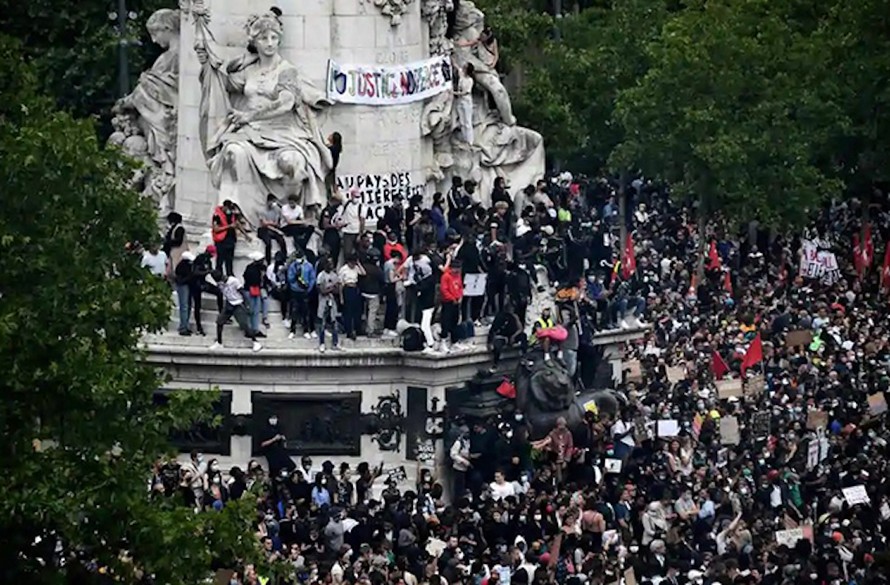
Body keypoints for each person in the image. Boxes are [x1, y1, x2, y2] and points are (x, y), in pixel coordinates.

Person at [209, 270, 263, 352]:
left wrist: (247, 305)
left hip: (238, 303)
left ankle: (256, 342)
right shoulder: (219, 283)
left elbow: (243, 292)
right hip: (229, 303)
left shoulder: (234, 281)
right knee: (219, 322)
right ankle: (219, 342)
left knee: (244, 325)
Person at [286, 248, 316, 339]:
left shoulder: (309, 266)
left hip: (305, 291)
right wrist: (296, 276)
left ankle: (306, 330)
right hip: (295, 291)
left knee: (306, 311)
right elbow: (290, 279)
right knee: (294, 311)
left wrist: (309, 289)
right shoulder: (293, 266)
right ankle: (292, 330)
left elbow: (312, 278)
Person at [439, 254, 464, 353]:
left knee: (455, 321)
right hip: (448, 302)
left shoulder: (458, 276)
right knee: (446, 322)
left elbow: (461, 287)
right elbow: (444, 290)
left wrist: (460, 296)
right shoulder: (446, 276)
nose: (457, 270)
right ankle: (443, 342)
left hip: (457, 302)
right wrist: (452, 298)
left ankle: (455, 342)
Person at [315, 259, 341, 353]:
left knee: (334, 323)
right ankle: (322, 343)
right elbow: (321, 290)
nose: (331, 265)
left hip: (332, 301)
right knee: (322, 323)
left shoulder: (334, 275)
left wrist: (330, 289)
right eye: (329, 264)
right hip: (323, 301)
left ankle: (335, 343)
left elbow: (337, 290)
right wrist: (331, 288)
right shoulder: (321, 276)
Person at [338, 254, 365, 340]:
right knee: (348, 311)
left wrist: (358, 264)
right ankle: (348, 330)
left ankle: (358, 329)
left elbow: (363, 273)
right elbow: (340, 284)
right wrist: (341, 297)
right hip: (347, 289)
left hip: (355, 289)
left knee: (357, 310)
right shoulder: (343, 270)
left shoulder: (356, 268)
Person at [260, 413, 295, 479]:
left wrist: (283, 439)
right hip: (271, 453)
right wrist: (274, 439)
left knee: (290, 465)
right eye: (272, 418)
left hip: (280, 451)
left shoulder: (279, 428)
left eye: (275, 418)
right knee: (274, 470)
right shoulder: (264, 430)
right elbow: (262, 444)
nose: (274, 420)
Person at [257, 194, 287, 264]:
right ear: (268, 201)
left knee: (282, 241)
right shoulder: (262, 210)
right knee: (268, 243)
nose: (274, 203)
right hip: (263, 229)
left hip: (273, 229)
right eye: (272, 201)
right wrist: (273, 226)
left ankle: (284, 259)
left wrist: (270, 223)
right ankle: (268, 262)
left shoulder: (277, 209)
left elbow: (276, 223)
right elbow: (264, 224)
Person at [211, 199, 238, 276]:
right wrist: (229, 226)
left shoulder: (231, 215)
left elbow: (236, 224)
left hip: (231, 240)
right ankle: (218, 276)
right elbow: (216, 229)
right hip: (221, 241)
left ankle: (230, 276)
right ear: (224, 207)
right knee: (220, 261)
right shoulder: (217, 215)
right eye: (228, 208)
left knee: (229, 261)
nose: (229, 210)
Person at [173, 251, 196, 335]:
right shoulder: (182, 267)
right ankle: (183, 327)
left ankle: (185, 325)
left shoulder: (186, 266)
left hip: (187, 285)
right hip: (183, 286)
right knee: (184, 306)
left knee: (188, 306)